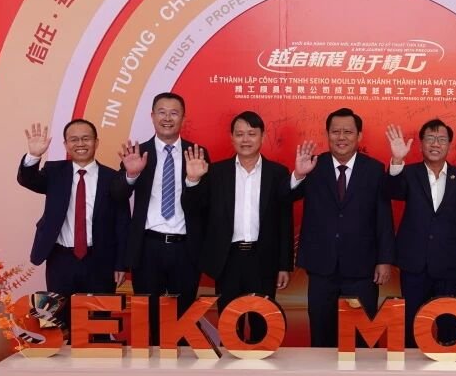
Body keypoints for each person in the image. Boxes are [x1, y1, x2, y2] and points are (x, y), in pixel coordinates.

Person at [183, 111, 293, 343]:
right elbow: (193, 210)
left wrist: (284, 265)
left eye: (251, 134)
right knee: (229, 323)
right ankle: (231, 366)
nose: (245, 139)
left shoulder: (277, 173)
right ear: (231, 137)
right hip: (228, 259)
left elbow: (284, 221)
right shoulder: (215, 172)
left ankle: (261, 364)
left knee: (262, 324)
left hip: (263, 258)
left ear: (262, 136)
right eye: (240, 134)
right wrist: (193, 181)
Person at [291, 107, 394, 348]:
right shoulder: (312, 165)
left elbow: (383, 217)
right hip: (321, 266)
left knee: (362, 337)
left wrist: (385, 259)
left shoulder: (374, 169)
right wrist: (298, 175)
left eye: (348, 132)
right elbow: (286, 198)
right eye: (335, 132)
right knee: (321, 333)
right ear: (327, 134)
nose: (341, 137)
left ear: (359, 135)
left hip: (362, 267)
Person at [112, 92, 209, 344]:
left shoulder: (196, 153)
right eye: (162, 112)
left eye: (174, 113)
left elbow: (202, 205)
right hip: (147, 247)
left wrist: (193, 181)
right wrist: (131, 175)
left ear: (183, 118)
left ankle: (181, 365)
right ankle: (151, 364)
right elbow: (117, 195)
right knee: (148, 316)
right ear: (152, 116)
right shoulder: (138, 152)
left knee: (184, 316)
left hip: (185, 248)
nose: (167, 118)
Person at [17, 119, 129, 330]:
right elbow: (28, 180)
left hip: (100, 260)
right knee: (59, 324)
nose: (80, 144)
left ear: (96, 142)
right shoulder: (54, 172)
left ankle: (98, 350)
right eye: (74, 139)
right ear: (66, 144)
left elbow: (122, 224)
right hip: (61, 260)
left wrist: (120, 264)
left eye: (86, 138)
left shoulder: (113, 178)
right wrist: (34, 156)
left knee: (99, 323)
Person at [384, 119, 456, 348]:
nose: (436, 144)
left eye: (442, 139)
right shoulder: (408, 173)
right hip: (414, 264)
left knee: (449, 325)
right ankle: (410, 369)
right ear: (421, 144)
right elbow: (392, 192)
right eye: (430, 139)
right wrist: (397, 160)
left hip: (449, 265)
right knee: (412, 325)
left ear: (449, 144)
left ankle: (448, 366)